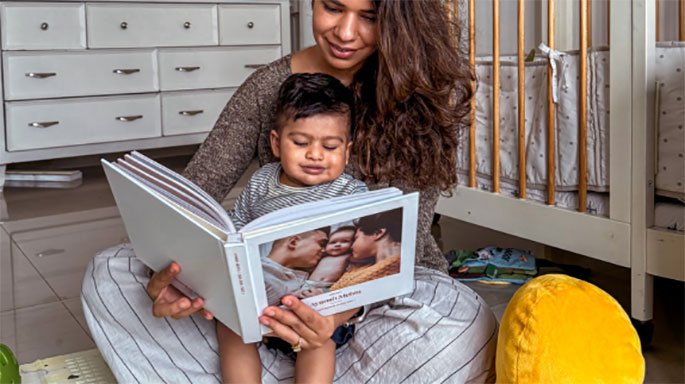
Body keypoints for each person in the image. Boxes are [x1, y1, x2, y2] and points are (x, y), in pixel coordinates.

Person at [81, 1, 498, 382]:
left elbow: (400, 242)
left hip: (380, 296)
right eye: (332, 8)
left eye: (369, 17)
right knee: (110, 274)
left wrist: (335, 314)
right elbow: (190, 199)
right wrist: (170, 276)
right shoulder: (268, 87)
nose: (346, 32)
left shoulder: (422, 93)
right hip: (263, 306)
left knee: (464, 320)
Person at [218, 72, 366, 383]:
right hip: (259, 303)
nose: (315, 154)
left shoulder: (352, 194)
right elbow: (238, 229)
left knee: (318, 343)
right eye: (300, 143)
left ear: (347, 152)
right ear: (276, 142)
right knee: (230, 328)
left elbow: (360, 264)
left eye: (330, 146)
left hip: (317, 311)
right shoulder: (262, 182)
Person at [330, 209, 402, 291]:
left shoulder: (395, 267)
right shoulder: (361, 269)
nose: (351, 246)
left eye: (355, 238)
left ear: (378, 233)